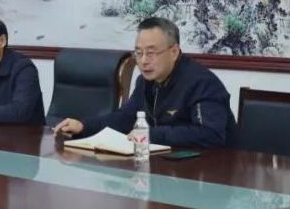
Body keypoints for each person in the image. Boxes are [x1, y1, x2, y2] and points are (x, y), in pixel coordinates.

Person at [54, 17, 235, 148]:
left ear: (174, 52)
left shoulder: (201, 83)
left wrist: (151, 135)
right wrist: (84, 126)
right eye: (138, 53)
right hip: (165, 168)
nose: (143, 61)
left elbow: (211, 134)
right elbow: (126, 117)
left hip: (211, 173)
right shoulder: (145, 81)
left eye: (151, 53)